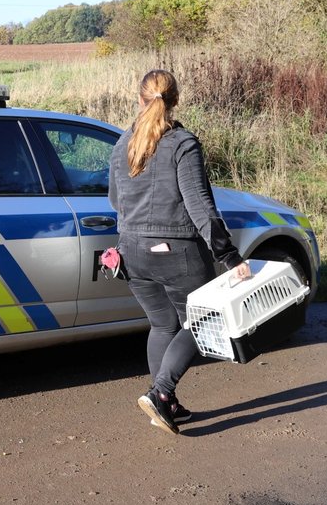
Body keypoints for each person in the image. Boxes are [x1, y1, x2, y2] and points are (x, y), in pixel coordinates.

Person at [108, 69, 252, 435]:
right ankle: (161, 393)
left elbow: (114, 200)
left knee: (162, 324)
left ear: (139, 98)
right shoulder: (183, 143)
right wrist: (229, 257)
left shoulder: (122, 144)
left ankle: (166, 402)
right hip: (177, 252)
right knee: (205, 321)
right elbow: (200, 205)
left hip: (131, 251)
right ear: (175, 100)